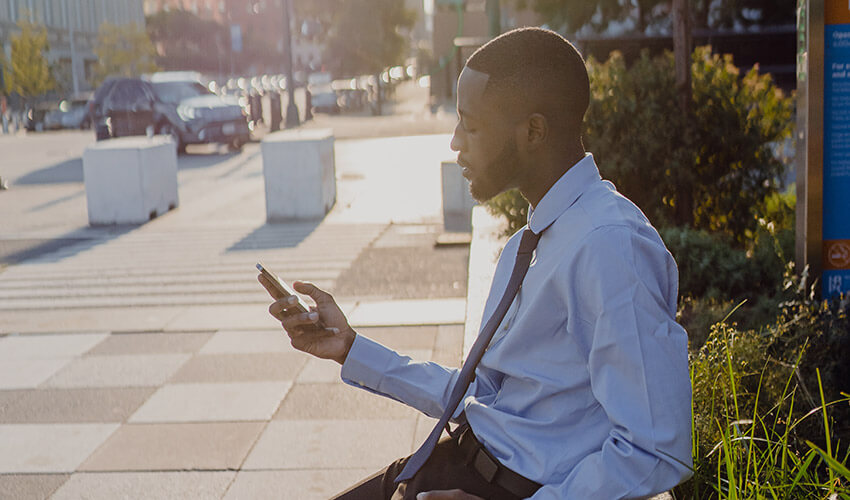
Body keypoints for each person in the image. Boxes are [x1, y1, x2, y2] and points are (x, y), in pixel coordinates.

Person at [259, 27, 693, 500]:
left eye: (471, 124)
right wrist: (350, 347)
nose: (454, 141)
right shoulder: (529, 243)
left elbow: (656, 451)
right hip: (457, 463)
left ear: (532, 131)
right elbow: (481, 398)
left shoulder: (610, 247)